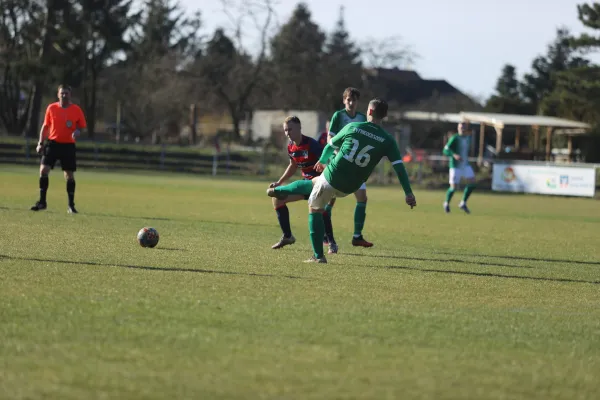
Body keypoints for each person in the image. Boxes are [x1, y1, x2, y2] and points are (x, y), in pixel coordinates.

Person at [303, 98, 417, 263]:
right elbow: (399, 168)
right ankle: (356, 235)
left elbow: (330, 146)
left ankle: (318, 256)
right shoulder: (388, 140)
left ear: (369, 112)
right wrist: (408, 193)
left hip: (334, 177)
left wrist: (321, 161)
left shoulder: (353, 127)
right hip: (353, 185)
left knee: (315, 207)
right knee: (359, 199)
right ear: (384, 116)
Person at [267, 116, 338, 253]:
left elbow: (325, 161)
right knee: (277, 198)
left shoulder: (311, 144)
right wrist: (280, 182)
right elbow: (293, 165)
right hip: (306, 184)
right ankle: (288, 236)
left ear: (299, 128)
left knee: (320, 210)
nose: (288, 133)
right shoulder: (291, 146)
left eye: (290, 129)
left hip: (319, 184)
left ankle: (331, 242)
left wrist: (326, 176)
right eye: (286, 130)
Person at [327, 87, 374, 248]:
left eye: (354, 100)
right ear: (344, 100)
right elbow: (330, 137)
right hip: (339, 162)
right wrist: (339, 150)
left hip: (356, 165)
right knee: (330, 199)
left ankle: (357, 236)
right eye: (349, 100)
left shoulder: (362, 117)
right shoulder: (338, 116)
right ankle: (326, 234)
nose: (351, 103)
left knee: (362, 198)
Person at [31, 84, 87, 214]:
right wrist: (40, 142)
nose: (64, 95)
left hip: (68, 146)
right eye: (62, 93)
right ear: (58, 94)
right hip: (53, 143)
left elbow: (81, 126)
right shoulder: (51, 108)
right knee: (44, 170)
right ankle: (42, 202)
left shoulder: (76, 110)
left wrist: (77, 132)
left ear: (70, 95)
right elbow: (45, 126)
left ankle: (71, 205)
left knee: (69, 175)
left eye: (66, 93)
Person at [442, 121, 476, 214]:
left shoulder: (467, 138)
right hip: (455, 166)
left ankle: (463, 203)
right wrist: (454, 155)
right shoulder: (455, 138)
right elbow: (445, 150)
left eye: (464, 127)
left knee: (472, 183)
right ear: (458, 128)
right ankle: (446, 203)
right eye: (460, 127)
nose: (462, 129)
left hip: (465, 165)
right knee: (453, 187)